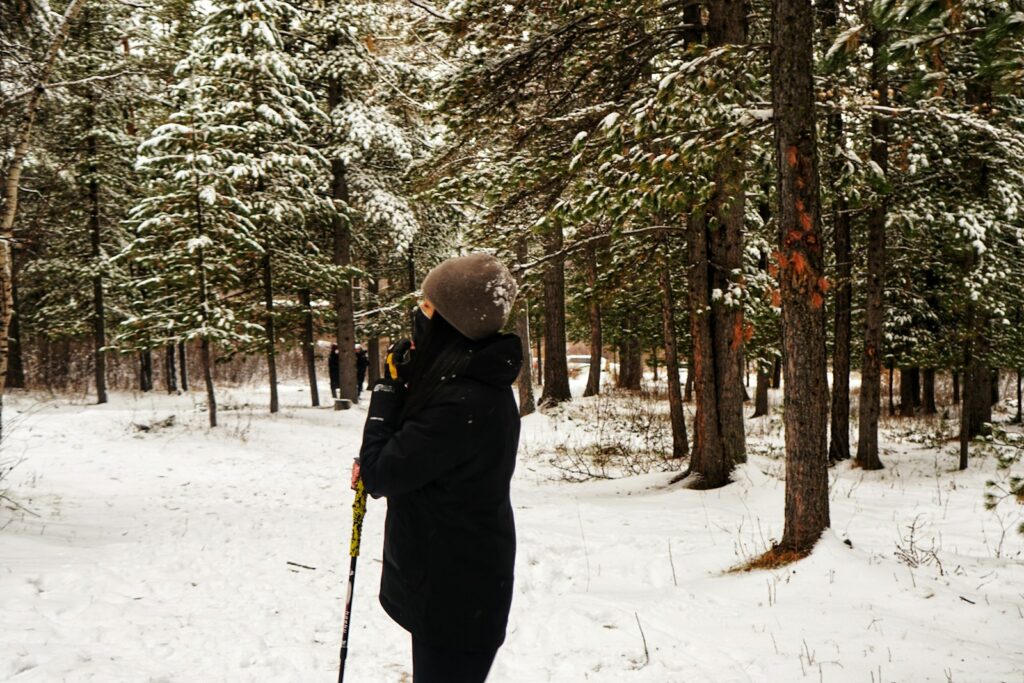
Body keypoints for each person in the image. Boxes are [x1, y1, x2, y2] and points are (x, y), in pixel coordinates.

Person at [355, 253, 521, 683]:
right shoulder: (471, 383)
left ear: (452, 321)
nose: (418, 315)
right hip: (454, 577)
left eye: (427, 307)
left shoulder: (463, 400)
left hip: (456, 592)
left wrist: (387, 391)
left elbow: (380, 473)